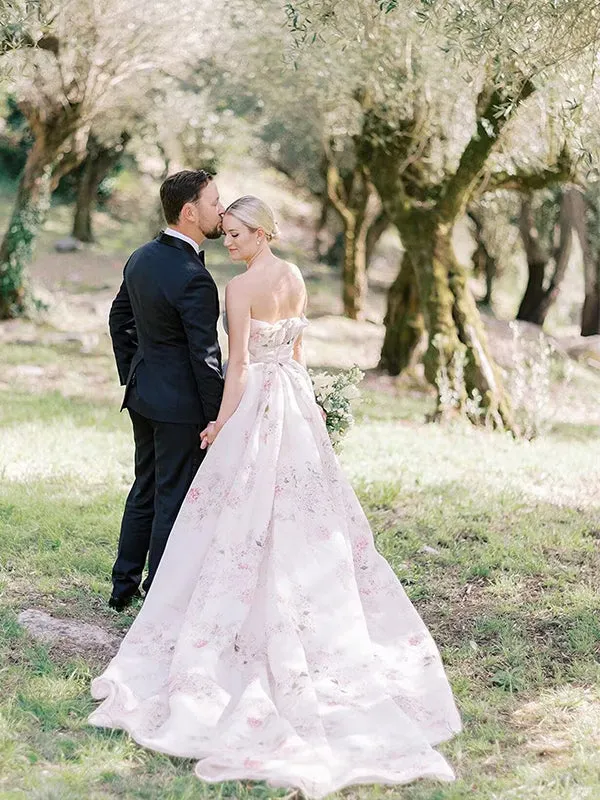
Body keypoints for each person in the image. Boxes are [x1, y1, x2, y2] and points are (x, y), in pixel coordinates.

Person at [90, 195, 461, 798]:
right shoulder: (293, 277)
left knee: (242, 511)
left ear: (262, 234)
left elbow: (237, 368)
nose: (227, 243)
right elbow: (297, 353)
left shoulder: (239, 289)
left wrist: (218, 424)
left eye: (236, 234)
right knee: (299, 510)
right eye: (226, 232)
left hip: (259, 401)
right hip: (292, 398)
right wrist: (312, 405)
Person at [107, 169, 225, 611]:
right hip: (179, 406)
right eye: (214, 203)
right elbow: (205, 356)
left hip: (142, 396)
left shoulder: (140, 256)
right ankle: (159, 598)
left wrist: (134, 371)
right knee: (172, 494)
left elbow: (119, 319)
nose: (221, 210)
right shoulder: (194, 275)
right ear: (189, 212)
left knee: (145, 487)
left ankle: (122, 589)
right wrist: (217, 417)